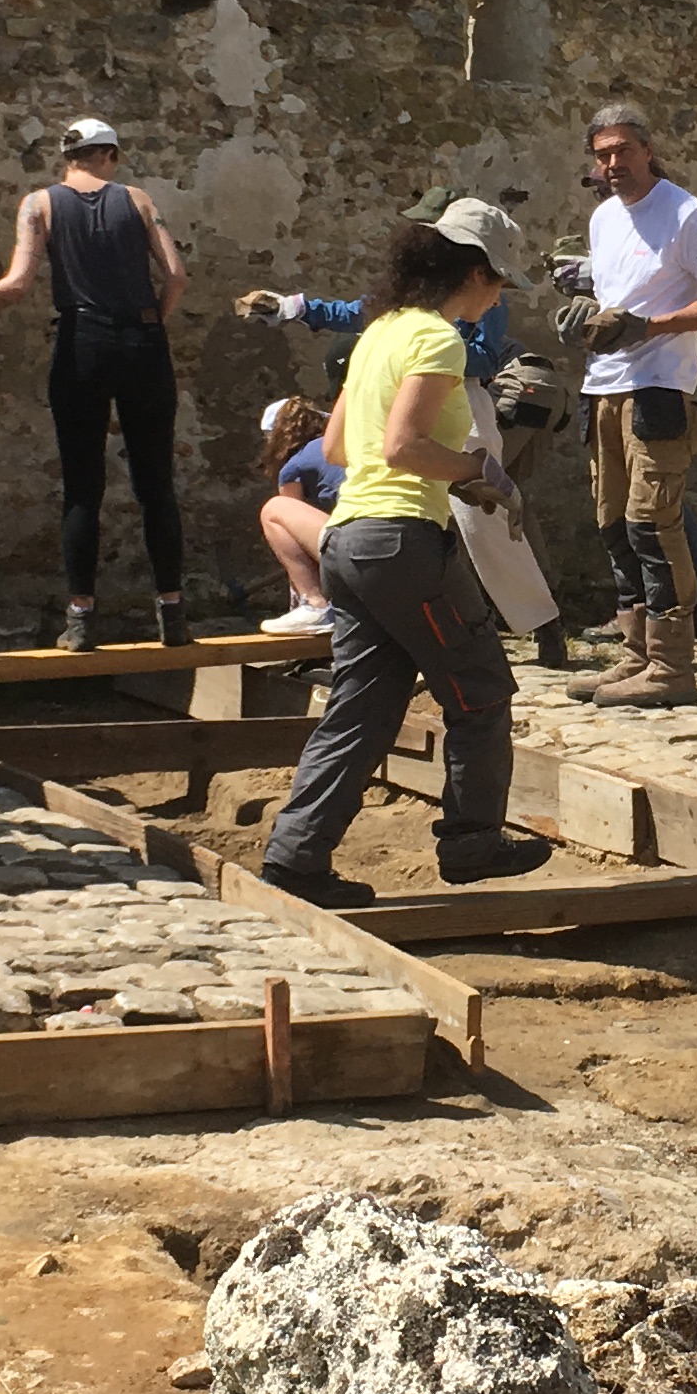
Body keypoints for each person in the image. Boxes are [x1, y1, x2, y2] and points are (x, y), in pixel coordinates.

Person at [254, 215, 557, 906]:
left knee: (361, 707)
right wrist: (473, 466)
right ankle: (472, 843)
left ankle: (296, 860)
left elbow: (337, 449)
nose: (500, 294)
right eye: (500, 279)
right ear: (475, 273)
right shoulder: (435, 339)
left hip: (349, 541)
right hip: (403, 542)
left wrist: (447, 469)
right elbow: (400, 447)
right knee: (481, 689)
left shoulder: (377, 334)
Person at [242, 194, 567, 662]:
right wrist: (298, 308)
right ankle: (464, 622)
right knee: (443, 532)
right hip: (397, 505)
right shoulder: (407, 322)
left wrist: (426, 357)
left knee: (488, 525)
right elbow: (364, 319)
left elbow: (481, 355)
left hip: (461, 400)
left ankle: (543, 620)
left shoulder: (437, 319)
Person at [0, 116, 190, 650]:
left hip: (82, 340)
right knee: (155, 483)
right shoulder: (137, 199)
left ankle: (81, 618)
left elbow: (17, 284)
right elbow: (176, 276)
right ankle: (172, 613)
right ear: (109, 154)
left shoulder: (39, 204)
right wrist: (154, 322)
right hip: (142, 342)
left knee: (83, 485)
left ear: (68, 157)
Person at [555, 104, 697, 708]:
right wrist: (587, 310)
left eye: (622, 150)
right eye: (602, 153)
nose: (613, 163)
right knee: (613, 524)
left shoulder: (684, 212)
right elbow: (619, 296)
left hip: (658, 388)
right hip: (603, 387)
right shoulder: (604, 219)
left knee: (652, 525)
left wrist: (647, 327)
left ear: (646, 149)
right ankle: (636, 653)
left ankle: (671, 666)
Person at [254, 395, 342, 631]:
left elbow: (294, 540)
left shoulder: (293, 468)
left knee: (274, 511)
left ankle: (316, 606)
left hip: (358, 545)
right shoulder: (345, 443)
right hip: (407, 537)